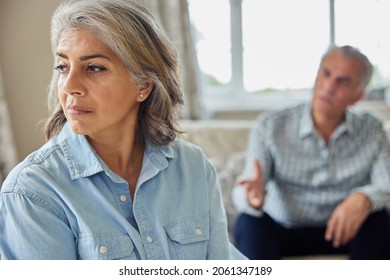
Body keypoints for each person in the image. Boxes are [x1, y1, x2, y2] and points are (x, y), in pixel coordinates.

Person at [0, 0, 246, 260]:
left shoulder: (194, 167)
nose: (69, 85)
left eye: (94, 67)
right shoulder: (33, 192)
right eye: (63, 67)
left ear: (144, 85)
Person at [232, 45, 390, 260]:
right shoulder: (270, 126)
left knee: (378, 219)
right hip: (282, 228)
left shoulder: (372, 130)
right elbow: (246, 188)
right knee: (249, 222)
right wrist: (253, 197)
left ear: (357, 96)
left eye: (343, 81)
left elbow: (386, 185)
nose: (329, 86)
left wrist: (364, 197)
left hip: (344, 231)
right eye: (326, 74)